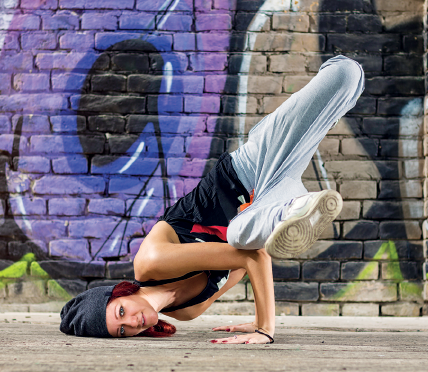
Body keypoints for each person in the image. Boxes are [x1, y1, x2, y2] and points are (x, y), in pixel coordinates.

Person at [60, 55, 365, 344]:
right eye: (123, 332)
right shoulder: (188, 311)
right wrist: (259, 318)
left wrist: (264, 327)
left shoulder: (150, 263)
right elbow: (254, 258)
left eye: (121, 313)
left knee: (345, 74)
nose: (133, 323)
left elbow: (250, 256)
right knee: (243, 234)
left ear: (118, 294)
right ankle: (290, 210)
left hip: (250, 169)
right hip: (267, 204)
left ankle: (294, 209)